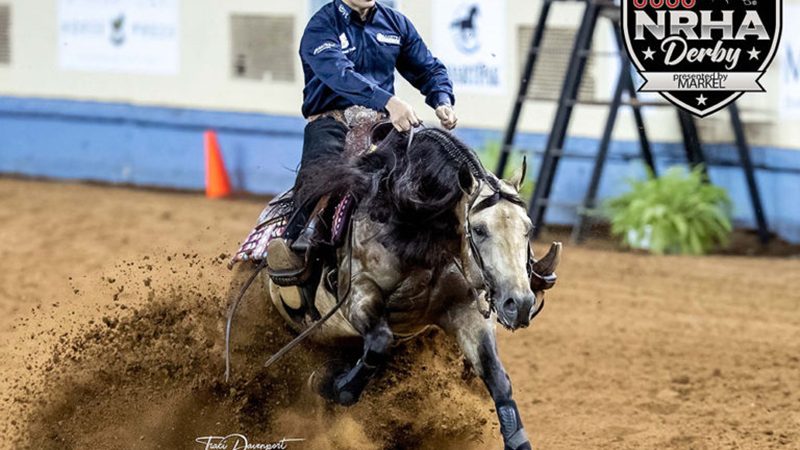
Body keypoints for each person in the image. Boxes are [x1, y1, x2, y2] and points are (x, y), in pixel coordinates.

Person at [268, 0, 457, 274]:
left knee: (428, 177)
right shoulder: (322, 27)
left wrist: (442, 99)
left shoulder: (395, 23)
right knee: (316, 178)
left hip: (382, 125)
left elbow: (428, 68)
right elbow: (340, 75)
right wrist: (388, 102)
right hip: (332, 122)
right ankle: (293, 245)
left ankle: (456, 248)